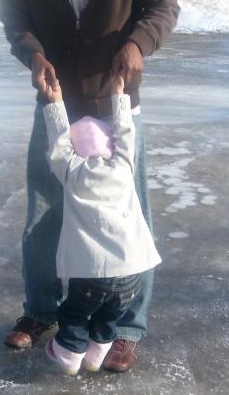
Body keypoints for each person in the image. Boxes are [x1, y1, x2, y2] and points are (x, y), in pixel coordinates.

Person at [0, 0, 179, 372]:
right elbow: (14, 17)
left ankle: (124, 328)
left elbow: (163, 3)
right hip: (57, 101)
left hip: (115, 99)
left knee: (131, 212)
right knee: (46, 211)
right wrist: (31, 54)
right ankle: (41, 311)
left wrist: (138, 43)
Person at [41, 73, 161, 376]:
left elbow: (58, 143)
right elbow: (127, 133)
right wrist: (119, 95)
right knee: (108, 317)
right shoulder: (123, 167)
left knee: (75, 313)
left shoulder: (71, 172)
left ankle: (68, 354)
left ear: (77, 150)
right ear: (110, 146)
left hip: (93, 275)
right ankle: (95, 357)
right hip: (131, 273)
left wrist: (54, 101)